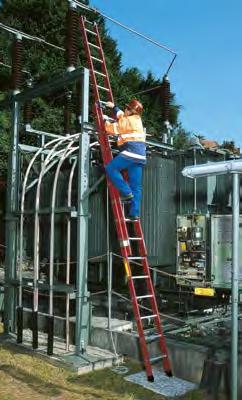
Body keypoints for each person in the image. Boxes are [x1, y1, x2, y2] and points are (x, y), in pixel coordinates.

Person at [103, 99, 146, 220]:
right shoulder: (136, 119)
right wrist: (114, 107)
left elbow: (111, 129)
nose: (125, 109)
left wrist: (105, 120)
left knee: (111, 168)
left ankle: (126, 192)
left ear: (130, 111)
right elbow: (122, 116)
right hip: (140, 156)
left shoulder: (127, 122)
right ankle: (134, 213)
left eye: (127, 108)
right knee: (136, 186)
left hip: (130, 152)